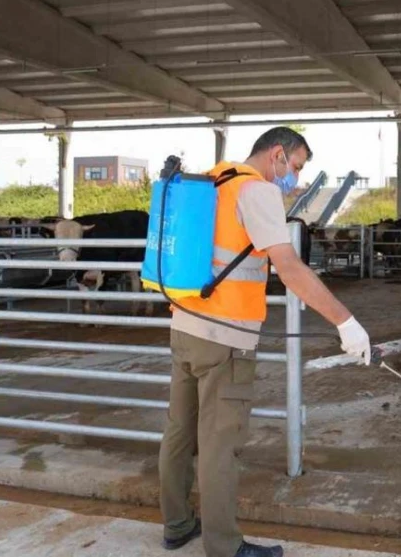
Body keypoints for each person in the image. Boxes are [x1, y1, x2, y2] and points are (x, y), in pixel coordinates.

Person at [159, 127, 372, 557]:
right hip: (225, 340)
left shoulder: (216, 177)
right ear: (278, 154)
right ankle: (224, 547)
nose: (293, 178)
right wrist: (344, 321)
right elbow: (289, 268)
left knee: (180, 430)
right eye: (294, 167)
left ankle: (178, 524)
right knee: (221, 443)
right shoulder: (257, 192)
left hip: (184, 326)